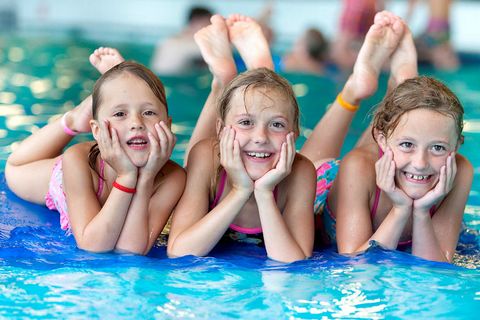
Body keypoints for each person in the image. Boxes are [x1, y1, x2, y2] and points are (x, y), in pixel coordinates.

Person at [167, 11, 404, 262]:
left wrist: (264, 193)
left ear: (295, 134)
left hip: (323, 192)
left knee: (345, 156)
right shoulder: (207, 157)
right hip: (232, 152)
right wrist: (239, 190)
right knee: (223, 141)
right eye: (246, 122)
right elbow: (179, 250)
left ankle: (388, 91)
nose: (260, 136)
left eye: (277, 126)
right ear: (221, 130)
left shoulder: (300, 172)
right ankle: (237, 80)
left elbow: (295, 261)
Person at [304, 13, 473, 263]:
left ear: (457, 145)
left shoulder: (459, 171)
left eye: (438, 148)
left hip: (387, 156)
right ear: (380, 141)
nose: (420, 162)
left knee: (405, 127)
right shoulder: (358, 168)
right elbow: (356, 265)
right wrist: (401, 209)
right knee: (300, 173)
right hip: (332, 187)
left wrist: (422, 211)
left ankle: (402, 85)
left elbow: (437, 266)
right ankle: (355, 90)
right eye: (408, 146)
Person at [5, 47, 186, 255]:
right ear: (97, 130)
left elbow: (130, 249)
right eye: (120, 113)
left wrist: (145, 177)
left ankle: (119, 82)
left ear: (168, 125)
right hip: (69, 175)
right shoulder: (77, 161)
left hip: (130, 171)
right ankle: (75, 118)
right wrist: (127, 177)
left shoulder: (173, 177)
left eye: (149, 112)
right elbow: (92, 244)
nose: (137, 123)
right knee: (14, 169)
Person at [150, 6, 213, 75]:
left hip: (156, 79)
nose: (211, 28)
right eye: (209, 23)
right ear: (195, 21)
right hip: (175, 81)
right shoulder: (192, 43)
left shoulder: (169, 39)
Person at [412, 0, 460, 70]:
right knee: (450, 64)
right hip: (444, 29)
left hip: (436, 30)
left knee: (448, 63)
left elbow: (412, 8)